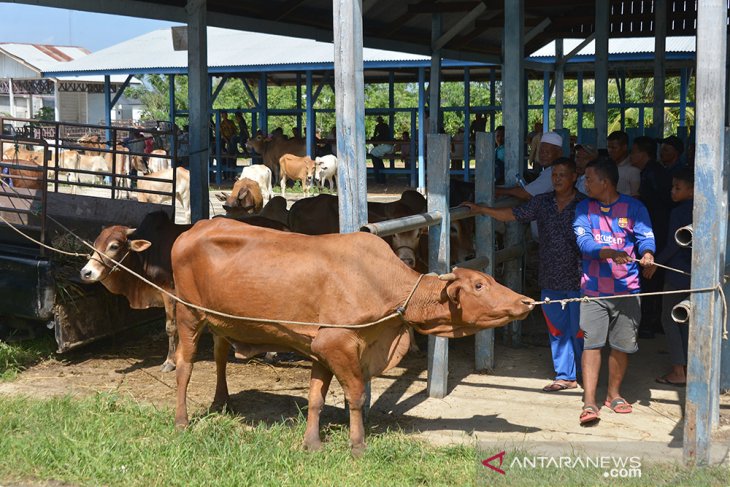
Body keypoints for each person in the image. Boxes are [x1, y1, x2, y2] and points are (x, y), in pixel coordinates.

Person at [463, 158, 586, 392]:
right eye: (554, 175)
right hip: (550, 276)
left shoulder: (585, 204)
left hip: (580, 277)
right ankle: (565, 375)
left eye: (562, 175)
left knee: (580, 329)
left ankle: (584, 372)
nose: (557, 179)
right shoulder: (542, 202)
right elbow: (513, 214)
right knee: (558, 330)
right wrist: (482, 210)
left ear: (573, 178)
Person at [573, 156, 656, 425]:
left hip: (627, 290)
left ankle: (613, 395)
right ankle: (589, 402)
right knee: (592, 344)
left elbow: (646, 238)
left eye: (588, 178)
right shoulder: (583, 209)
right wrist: (608, 252)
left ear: (604, 182)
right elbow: (584, 244)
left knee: (621, 346)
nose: (584, 183)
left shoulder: (635, 208)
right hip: (593, 292)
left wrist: (648, 255)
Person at [645, 168, 694, 386]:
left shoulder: (679, 212)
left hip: (677, 274)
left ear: (692, 190)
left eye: (678, 188)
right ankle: (687, 368)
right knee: (686, 320)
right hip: (697, 273)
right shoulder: (705, 209)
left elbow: (675, 243)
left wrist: (656, 263)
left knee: (670, 318)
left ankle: (678, 371)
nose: (672, 192)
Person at [631, 136, 667, 338]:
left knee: (652, 277)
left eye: (634, 151)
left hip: (656, 232)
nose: (631, 155)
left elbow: (659, 209)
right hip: (652, 231)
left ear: (644, 153)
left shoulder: (653, 174)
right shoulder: (648, 172)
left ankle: (650, 323)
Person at [497, 131, 563, 201]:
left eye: (547, 152)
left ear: (559, 153)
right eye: (541, 151)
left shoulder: (553, 173)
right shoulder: (548, 171)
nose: (543, 155)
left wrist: (498, 191)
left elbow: (525, 194)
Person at [606, 131, 641, 197]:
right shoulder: (607, 166)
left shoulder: (633, 170)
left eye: (614, 148)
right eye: (608, 147)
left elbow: (635, 197)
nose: (610, 151)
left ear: (624, 147)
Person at [370, 116, 391, 184]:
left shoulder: (383, 125)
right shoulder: (380, 126)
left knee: (378, 166)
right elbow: (375, 134)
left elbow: (386, 133)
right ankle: (380, 180)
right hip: (381, 140)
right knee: (378, 166)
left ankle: (380, 180)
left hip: (383, 139)